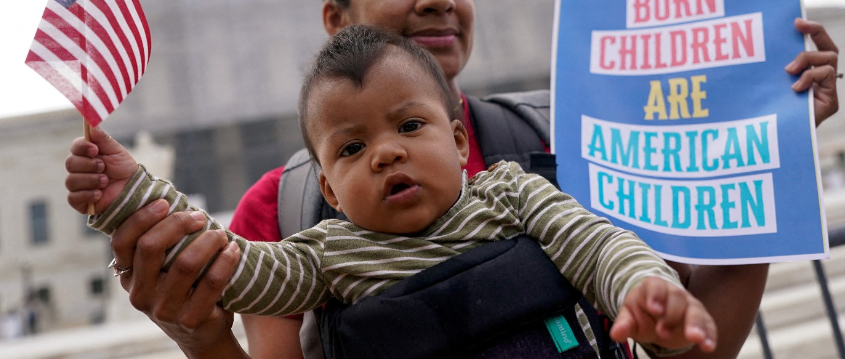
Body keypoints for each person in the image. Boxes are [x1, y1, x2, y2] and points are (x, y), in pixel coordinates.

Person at [73, 0, 840, 359]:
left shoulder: (564, 144)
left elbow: (690, 337)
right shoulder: (290, 216)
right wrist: (194, 324)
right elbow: (229, 263)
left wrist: (768, 143)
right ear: (335, 20)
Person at [68, 25, 717, 358]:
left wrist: (645, 290)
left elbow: (598, 247)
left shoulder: (513, 194)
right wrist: (131, 195)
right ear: (328, 187)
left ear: (458, 142)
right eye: (351, 148)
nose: (384, 152)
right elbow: (231, 265)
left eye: (409, 126)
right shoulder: (325, 253)